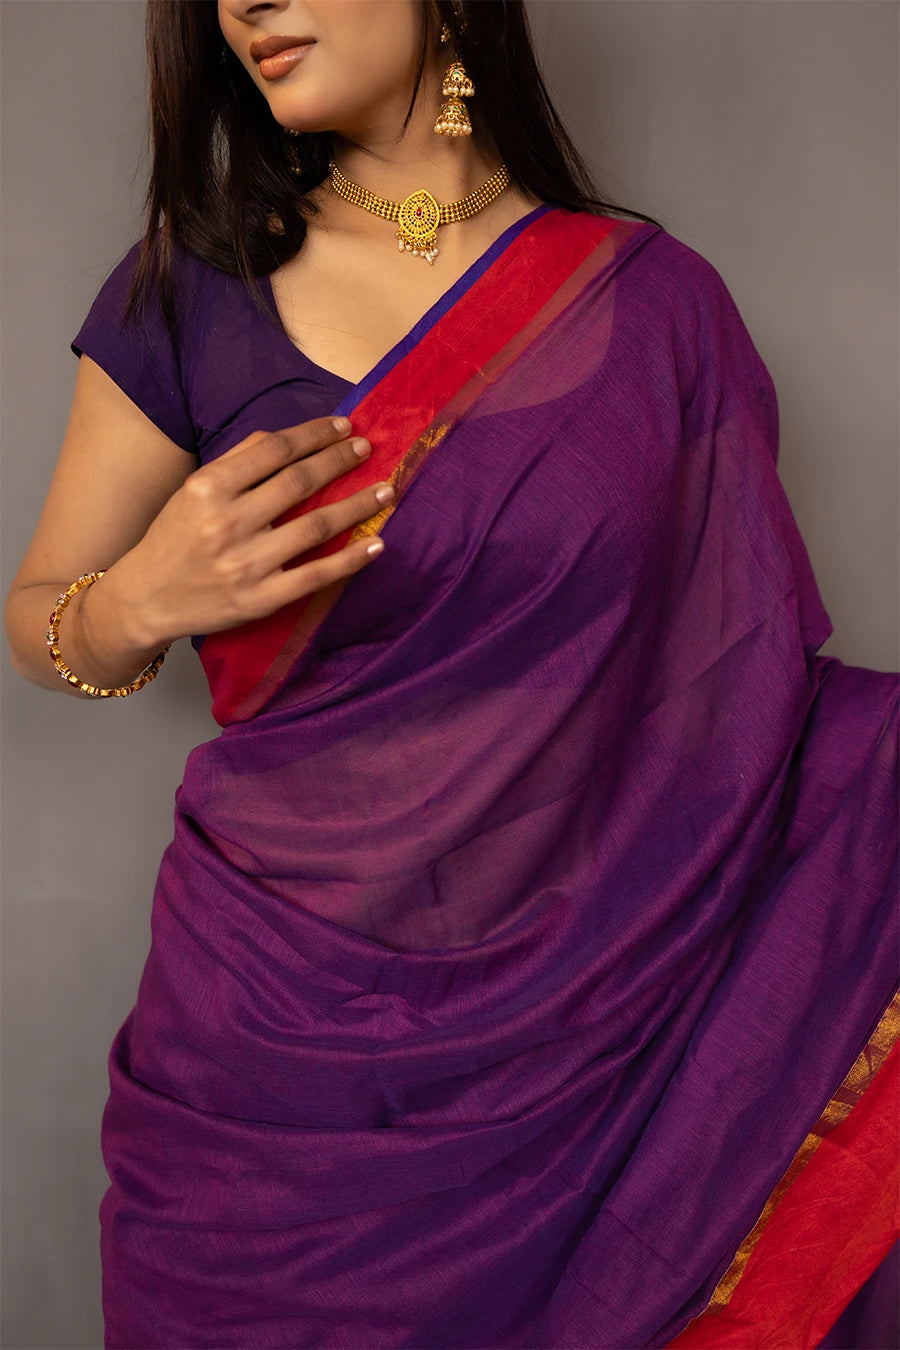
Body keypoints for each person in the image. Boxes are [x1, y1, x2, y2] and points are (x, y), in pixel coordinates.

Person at [4, 1, 898, 1346]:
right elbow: (40, 617)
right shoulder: (186, 290)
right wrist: (138, 598)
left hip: (597, 1043)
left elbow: (744, 691)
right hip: (273, 1063)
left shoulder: (656, 307)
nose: (244, 2)